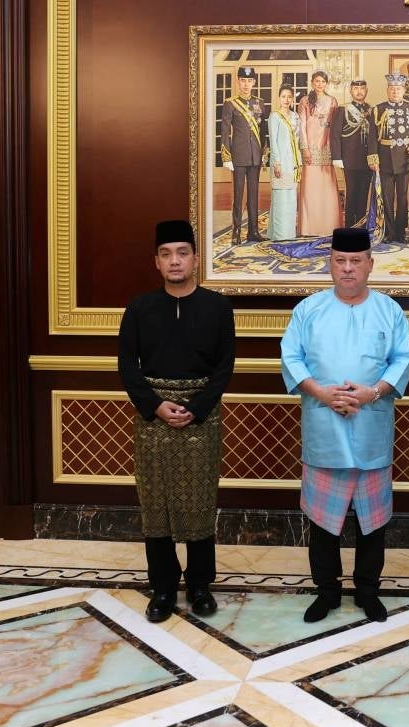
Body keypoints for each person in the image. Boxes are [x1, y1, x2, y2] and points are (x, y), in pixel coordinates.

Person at [280, 227, 409, 624]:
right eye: (340, 261)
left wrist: (372, 392)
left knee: (372, 523)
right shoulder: (309, 309)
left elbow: (401, 361)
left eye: (356, 261)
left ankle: (368, 592)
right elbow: (291, 358)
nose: (348, 269)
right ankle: (327, 592)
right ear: (330, 265)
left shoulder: (390, 310)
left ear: (370, 265)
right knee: (323, 521)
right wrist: (322, 394)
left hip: (371, 427)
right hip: (325, 429)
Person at [118, 220, 236, 623]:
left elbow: (224, 367)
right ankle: (164, 586)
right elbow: (127, 367)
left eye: (182, 253)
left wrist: (197, 407)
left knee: (200, 502)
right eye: (166, 254)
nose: (175, 261)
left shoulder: (218, 307)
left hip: (202, 419)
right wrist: (155, 405)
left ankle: (200, 585)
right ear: (156, 262)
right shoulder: (139, 308)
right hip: (152, 420)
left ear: (196, 259)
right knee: (157, 506)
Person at [368, 72, 409, 243]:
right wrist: (373, 158)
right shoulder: (378, 109)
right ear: (387, 90)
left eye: (398, 89)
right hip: (384, 159)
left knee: (403, 197)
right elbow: (372, 136)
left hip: (404, 159)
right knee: (386, 197)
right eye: (392, 89)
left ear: (403, 90)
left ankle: (400, 231)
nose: (395, 92)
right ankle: (388, 231)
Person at [221, 66, 268, 245]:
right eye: (243, 80)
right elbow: (224, 131)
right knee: (238, 195)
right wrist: (226, 157)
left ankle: (254, 231)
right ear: (238, 81)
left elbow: (263, 131)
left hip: (255, 156)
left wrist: (264, 153)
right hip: (238, 156)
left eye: (249, 81)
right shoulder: (230, 103)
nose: (246, 84)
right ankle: (236, 231)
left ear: (254, 82)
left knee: (254, 195)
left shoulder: (260, 102)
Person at [298, 70, 343, 236]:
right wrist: (305, 148)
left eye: (322, 81)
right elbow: (301, 126)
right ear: (312, 82)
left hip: (327, 149)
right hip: (311, 149)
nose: (319, 84)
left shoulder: (332, 101)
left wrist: (336, 151)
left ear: (326, 84)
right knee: (310, 190)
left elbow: (336, 128)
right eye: (317, 81)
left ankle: (330, 226)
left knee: (327, 190)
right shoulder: (304, 101)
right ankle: (309, 228)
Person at [331, 79, 374, 227]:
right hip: (349, 159)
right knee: (352, 194)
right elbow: (335, 134)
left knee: (363, 195)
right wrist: (337, 157)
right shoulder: (343, 110)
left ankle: (361, 226)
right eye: (356, 88)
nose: (359, 91)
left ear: (366, 90)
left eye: (362, 88)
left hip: (367, 159)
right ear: (351, 91)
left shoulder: (372, 110)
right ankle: (350, 226)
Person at [267, 84, 303, 241]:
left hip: (293, 163)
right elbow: (273, 142)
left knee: (290, 199)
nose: (286, 99)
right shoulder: (274, 117)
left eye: (289, 96)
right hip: (280, 161)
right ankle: (280, 236)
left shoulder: (295, 116)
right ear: (279, 98)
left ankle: (286, 234)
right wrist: (276, 162)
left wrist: (299, 161)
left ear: (292, 98)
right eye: (283, 96)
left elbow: (298, 140)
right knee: (280, 199)